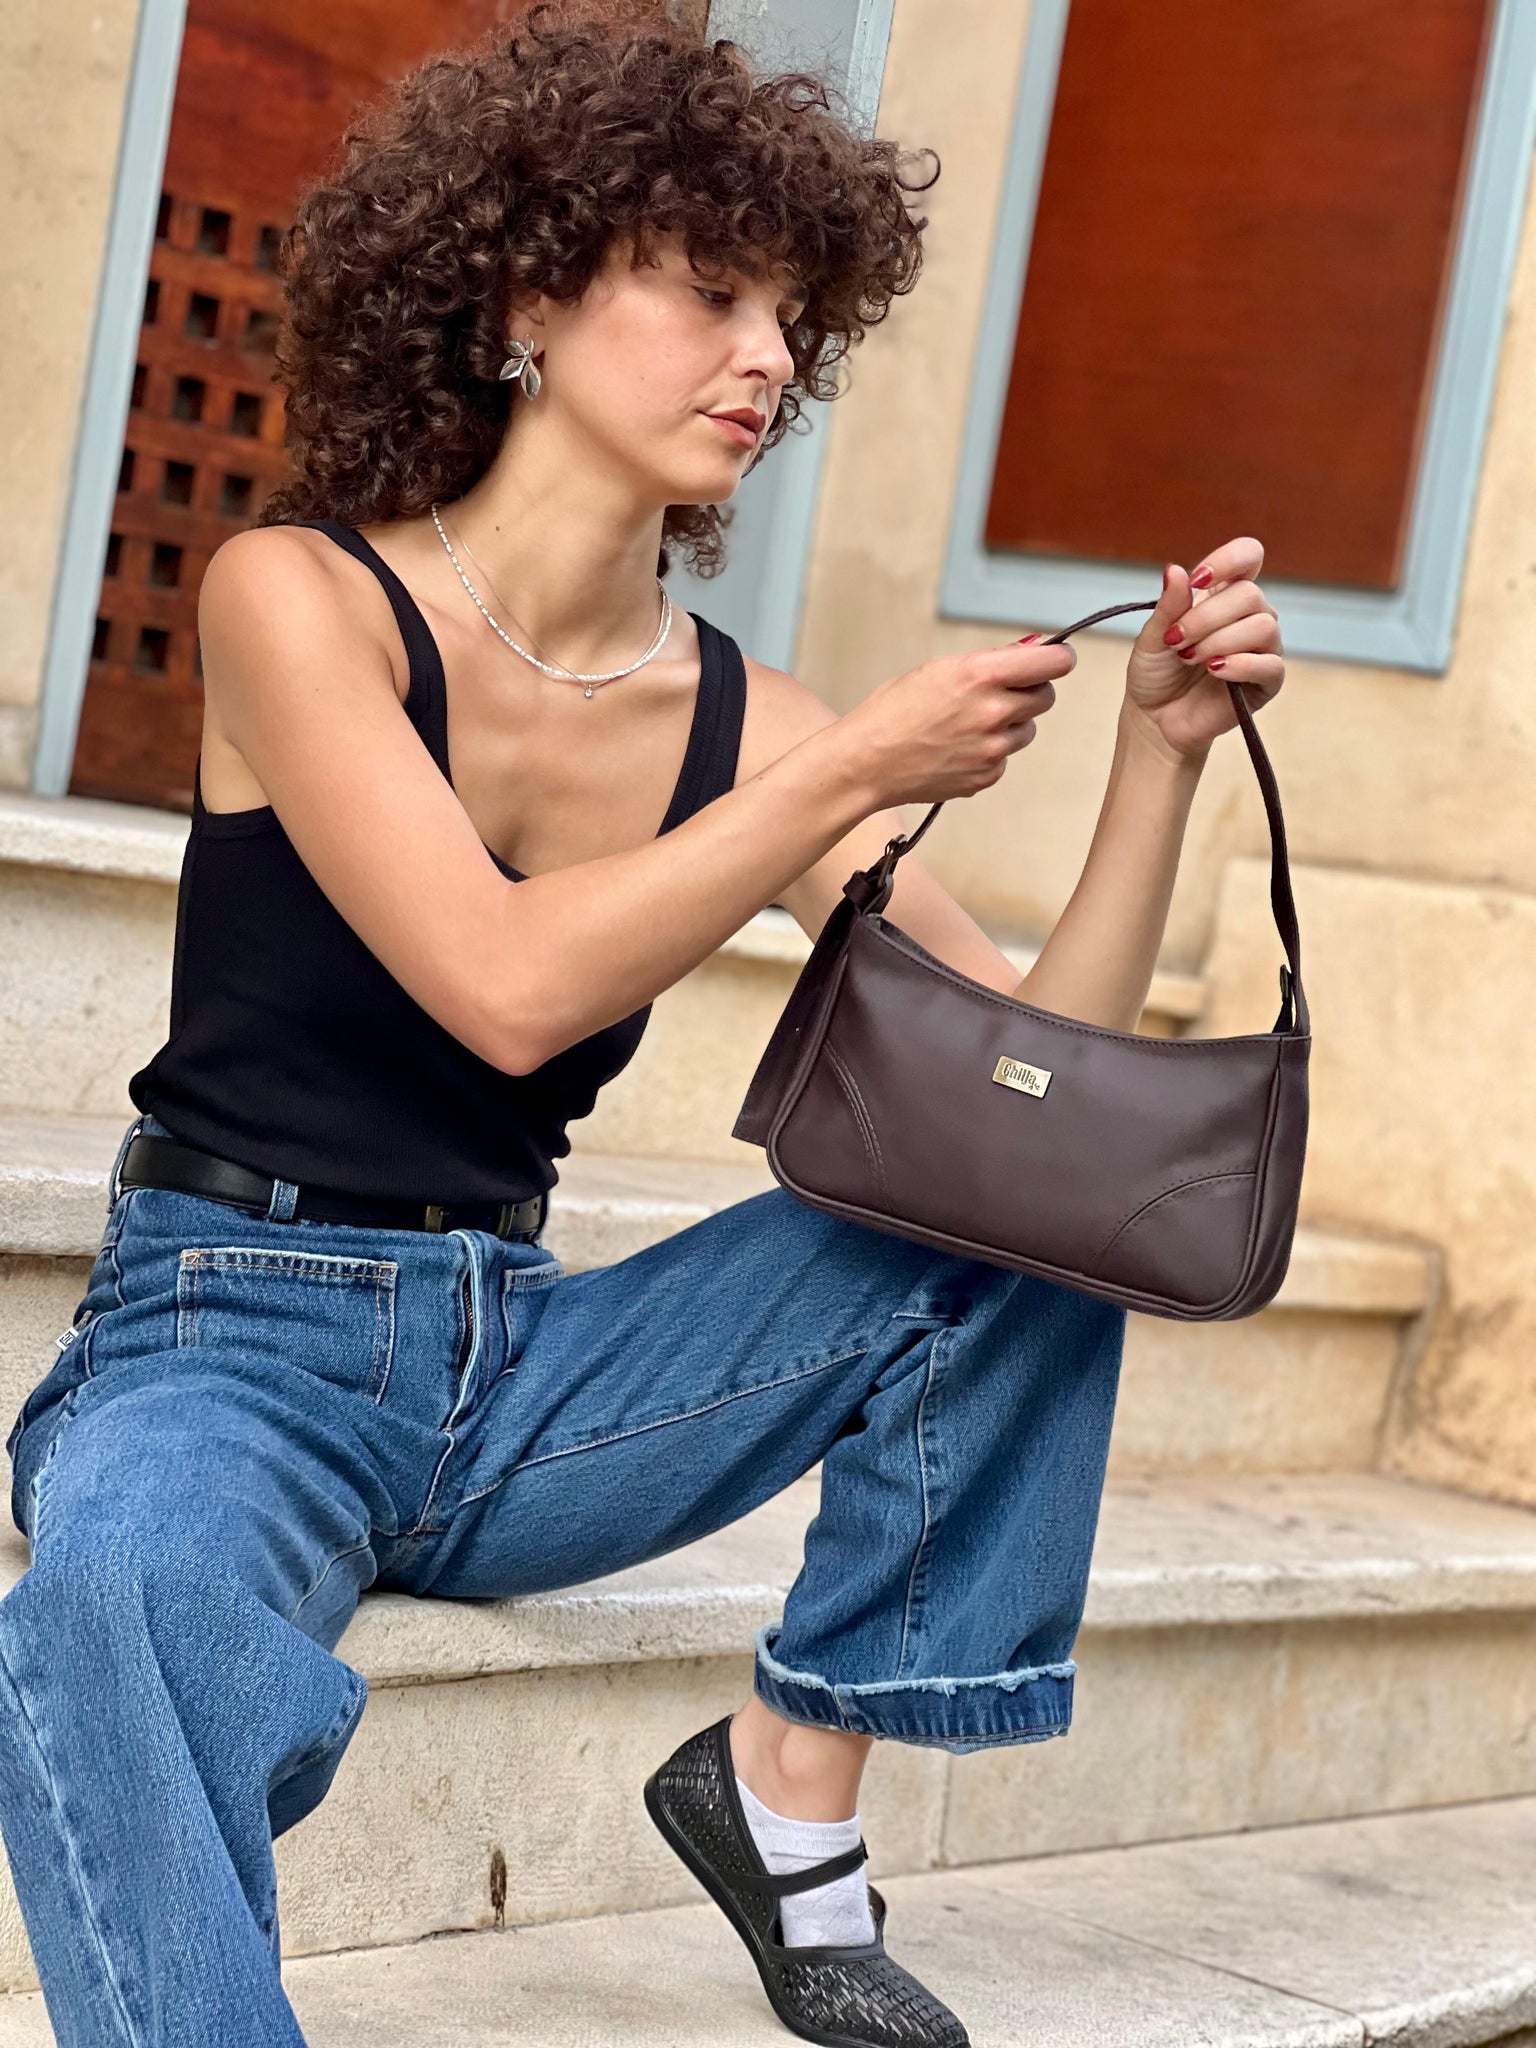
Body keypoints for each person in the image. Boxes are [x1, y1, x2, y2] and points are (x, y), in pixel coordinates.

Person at [0, 6, 1287, 2045]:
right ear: (525, 294)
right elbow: (502, 985)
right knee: (113, 1592)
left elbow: (1042, 1094)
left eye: (792, 317)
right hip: (227, 1333)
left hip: (529, 1376)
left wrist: (1162, 761)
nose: (767, 358)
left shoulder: (748, 720)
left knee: (1037, 1225)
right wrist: (841, 773)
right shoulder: (297, 600)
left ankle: (789, 1777)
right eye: (709, 293)